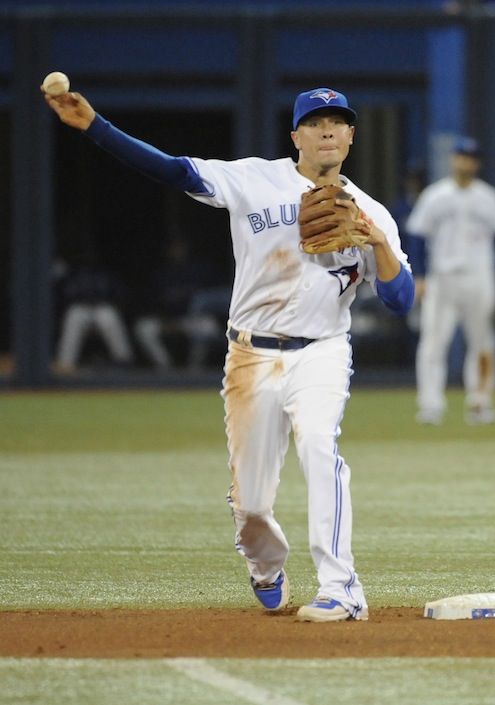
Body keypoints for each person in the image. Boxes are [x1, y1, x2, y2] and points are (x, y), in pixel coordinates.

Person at [44, 85, 414, 622]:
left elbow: (400, 301)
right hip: (251, 355)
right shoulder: (254, 179)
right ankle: (266, 566)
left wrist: (377, 241)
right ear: (296, 136)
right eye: (315, 122)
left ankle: (342, 588)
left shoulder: (372, 211)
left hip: (323, 352)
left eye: (338, 122)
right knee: (253, 506)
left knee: (319, 447)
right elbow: (175, 171)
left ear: (352, 136)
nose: (327, 130)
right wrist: (97, 127)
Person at [405, 137, 495, 425]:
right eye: (460, 157)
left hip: (479, 276)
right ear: (452, 160)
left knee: (483, 341)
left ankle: (480, 402)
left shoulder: (489, 197)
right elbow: (417, 238)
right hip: (441, 277)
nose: (465, 162)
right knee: (433, 341)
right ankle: (431, 405)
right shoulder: (434, 196)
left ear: (476, 163)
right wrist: (418, 276)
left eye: (470, 158)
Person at [134, 237, 225, 371]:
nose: (177, 251)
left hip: (191, 320)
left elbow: (212, 299)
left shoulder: (199, 271)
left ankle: (194, 368)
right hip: (166, 321)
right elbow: (151, 302)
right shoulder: (161, 275)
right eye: (173, 248)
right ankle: (165, 367)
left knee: (208, 326)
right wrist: (165, 321)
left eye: (180, 247)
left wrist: (186, 322)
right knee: (143, 328)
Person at [53, 253, 134, 374]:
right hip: (81, 308)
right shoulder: (73, 272)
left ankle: (123, 360)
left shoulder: (107, 272)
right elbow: (64, 296)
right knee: (73, 315)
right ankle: (66, 363)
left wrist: (117, 305)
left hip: (101, 307)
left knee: (109, 316)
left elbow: (120, 294)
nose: (89, 258)